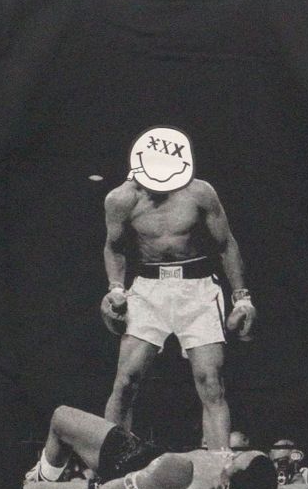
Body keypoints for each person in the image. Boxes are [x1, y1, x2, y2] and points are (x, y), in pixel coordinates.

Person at [100, 142, 256, 451]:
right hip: (148, 289)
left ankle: (219, 465)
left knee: (211, 382)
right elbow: (113, 247)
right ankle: (109, 464)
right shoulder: (120, 199)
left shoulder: (200, 193)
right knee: (125, 381)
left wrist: (242, 298)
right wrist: (115, 287)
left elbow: (226, 244)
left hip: (198, 289)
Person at [23, 405, 289, 489]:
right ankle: (44, 476)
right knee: (60, 417)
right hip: (142, 453)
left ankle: (41, 485)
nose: (226, 455)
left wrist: (139, 481)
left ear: (225, 485)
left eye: (232, 460)